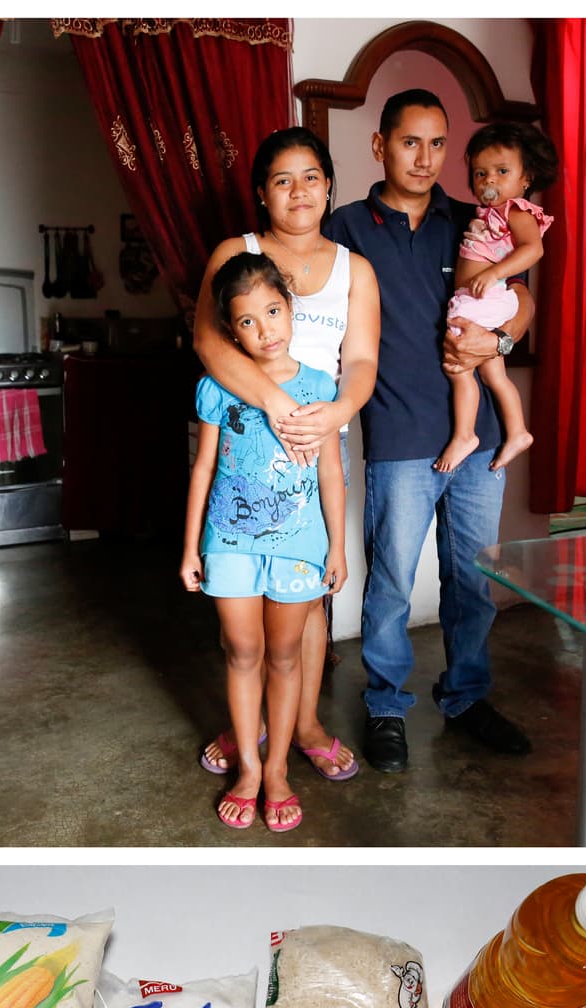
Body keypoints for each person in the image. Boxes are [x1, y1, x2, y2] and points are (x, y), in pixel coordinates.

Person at [323, 89, 535, 773]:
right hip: (399, 433)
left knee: (472, 581)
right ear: (380, 145)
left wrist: (496, 343)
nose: (426, 157)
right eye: (411, 142)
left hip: (478, 440)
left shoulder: (473, 220)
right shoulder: (345, 230)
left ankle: (466, 696)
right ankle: (386, 704)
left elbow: (523, 298)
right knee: (389, 582)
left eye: (439, 143)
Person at [193, 125, 380, 784]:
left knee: (303, 610)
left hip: (315, 449)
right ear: (260, 193)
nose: (298, 191)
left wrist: (331, 413)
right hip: (248, 440)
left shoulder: (356, 268)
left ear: (329, 186)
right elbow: (212, 349)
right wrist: (277, 405)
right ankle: (251, 726)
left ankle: (302, 724)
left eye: (310, 177)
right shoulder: (234, 253)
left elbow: (359, 361)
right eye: (282, 179)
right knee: (243, 615)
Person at [180, 253, 347, 834]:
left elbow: (331, 474)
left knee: (284, 656)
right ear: (230, 330)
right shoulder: (216, 389)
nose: (265, 329)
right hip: (228, 545)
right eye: (247, 321)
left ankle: (278, 771)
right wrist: (189, 548)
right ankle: (248, 769)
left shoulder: (320, 388)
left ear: (291, 308)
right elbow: (202, 469)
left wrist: (338, 549)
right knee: (242, 653)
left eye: (273, 311)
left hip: (299, 547)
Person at [436, 121, 558, 474]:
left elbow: (533, 249)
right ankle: (518, 431)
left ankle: (465, 435)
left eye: (502, 171)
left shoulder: (515, 210)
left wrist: (494, 272)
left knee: (459, 370)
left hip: (485, 299)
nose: (489, 181)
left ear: (526, 177)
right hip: (483, 300)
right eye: (480, 173)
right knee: (493, 376)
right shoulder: (491, 213)